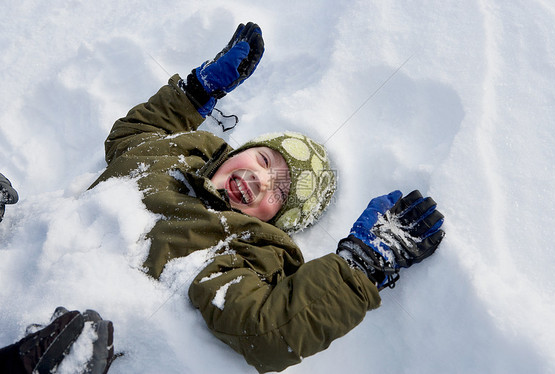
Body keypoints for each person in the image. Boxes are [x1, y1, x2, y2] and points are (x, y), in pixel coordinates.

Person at [1, 22, 445, 373]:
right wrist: (195, 91)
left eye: (281, 193)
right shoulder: (174, 151)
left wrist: (360, 264)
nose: (262, 180)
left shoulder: (233, 247)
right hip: (16, 246)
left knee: (80, 337)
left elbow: (268, 329)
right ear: (241, 151)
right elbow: (132, 134)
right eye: (266, 160)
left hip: (53, 319)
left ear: (276, 222)